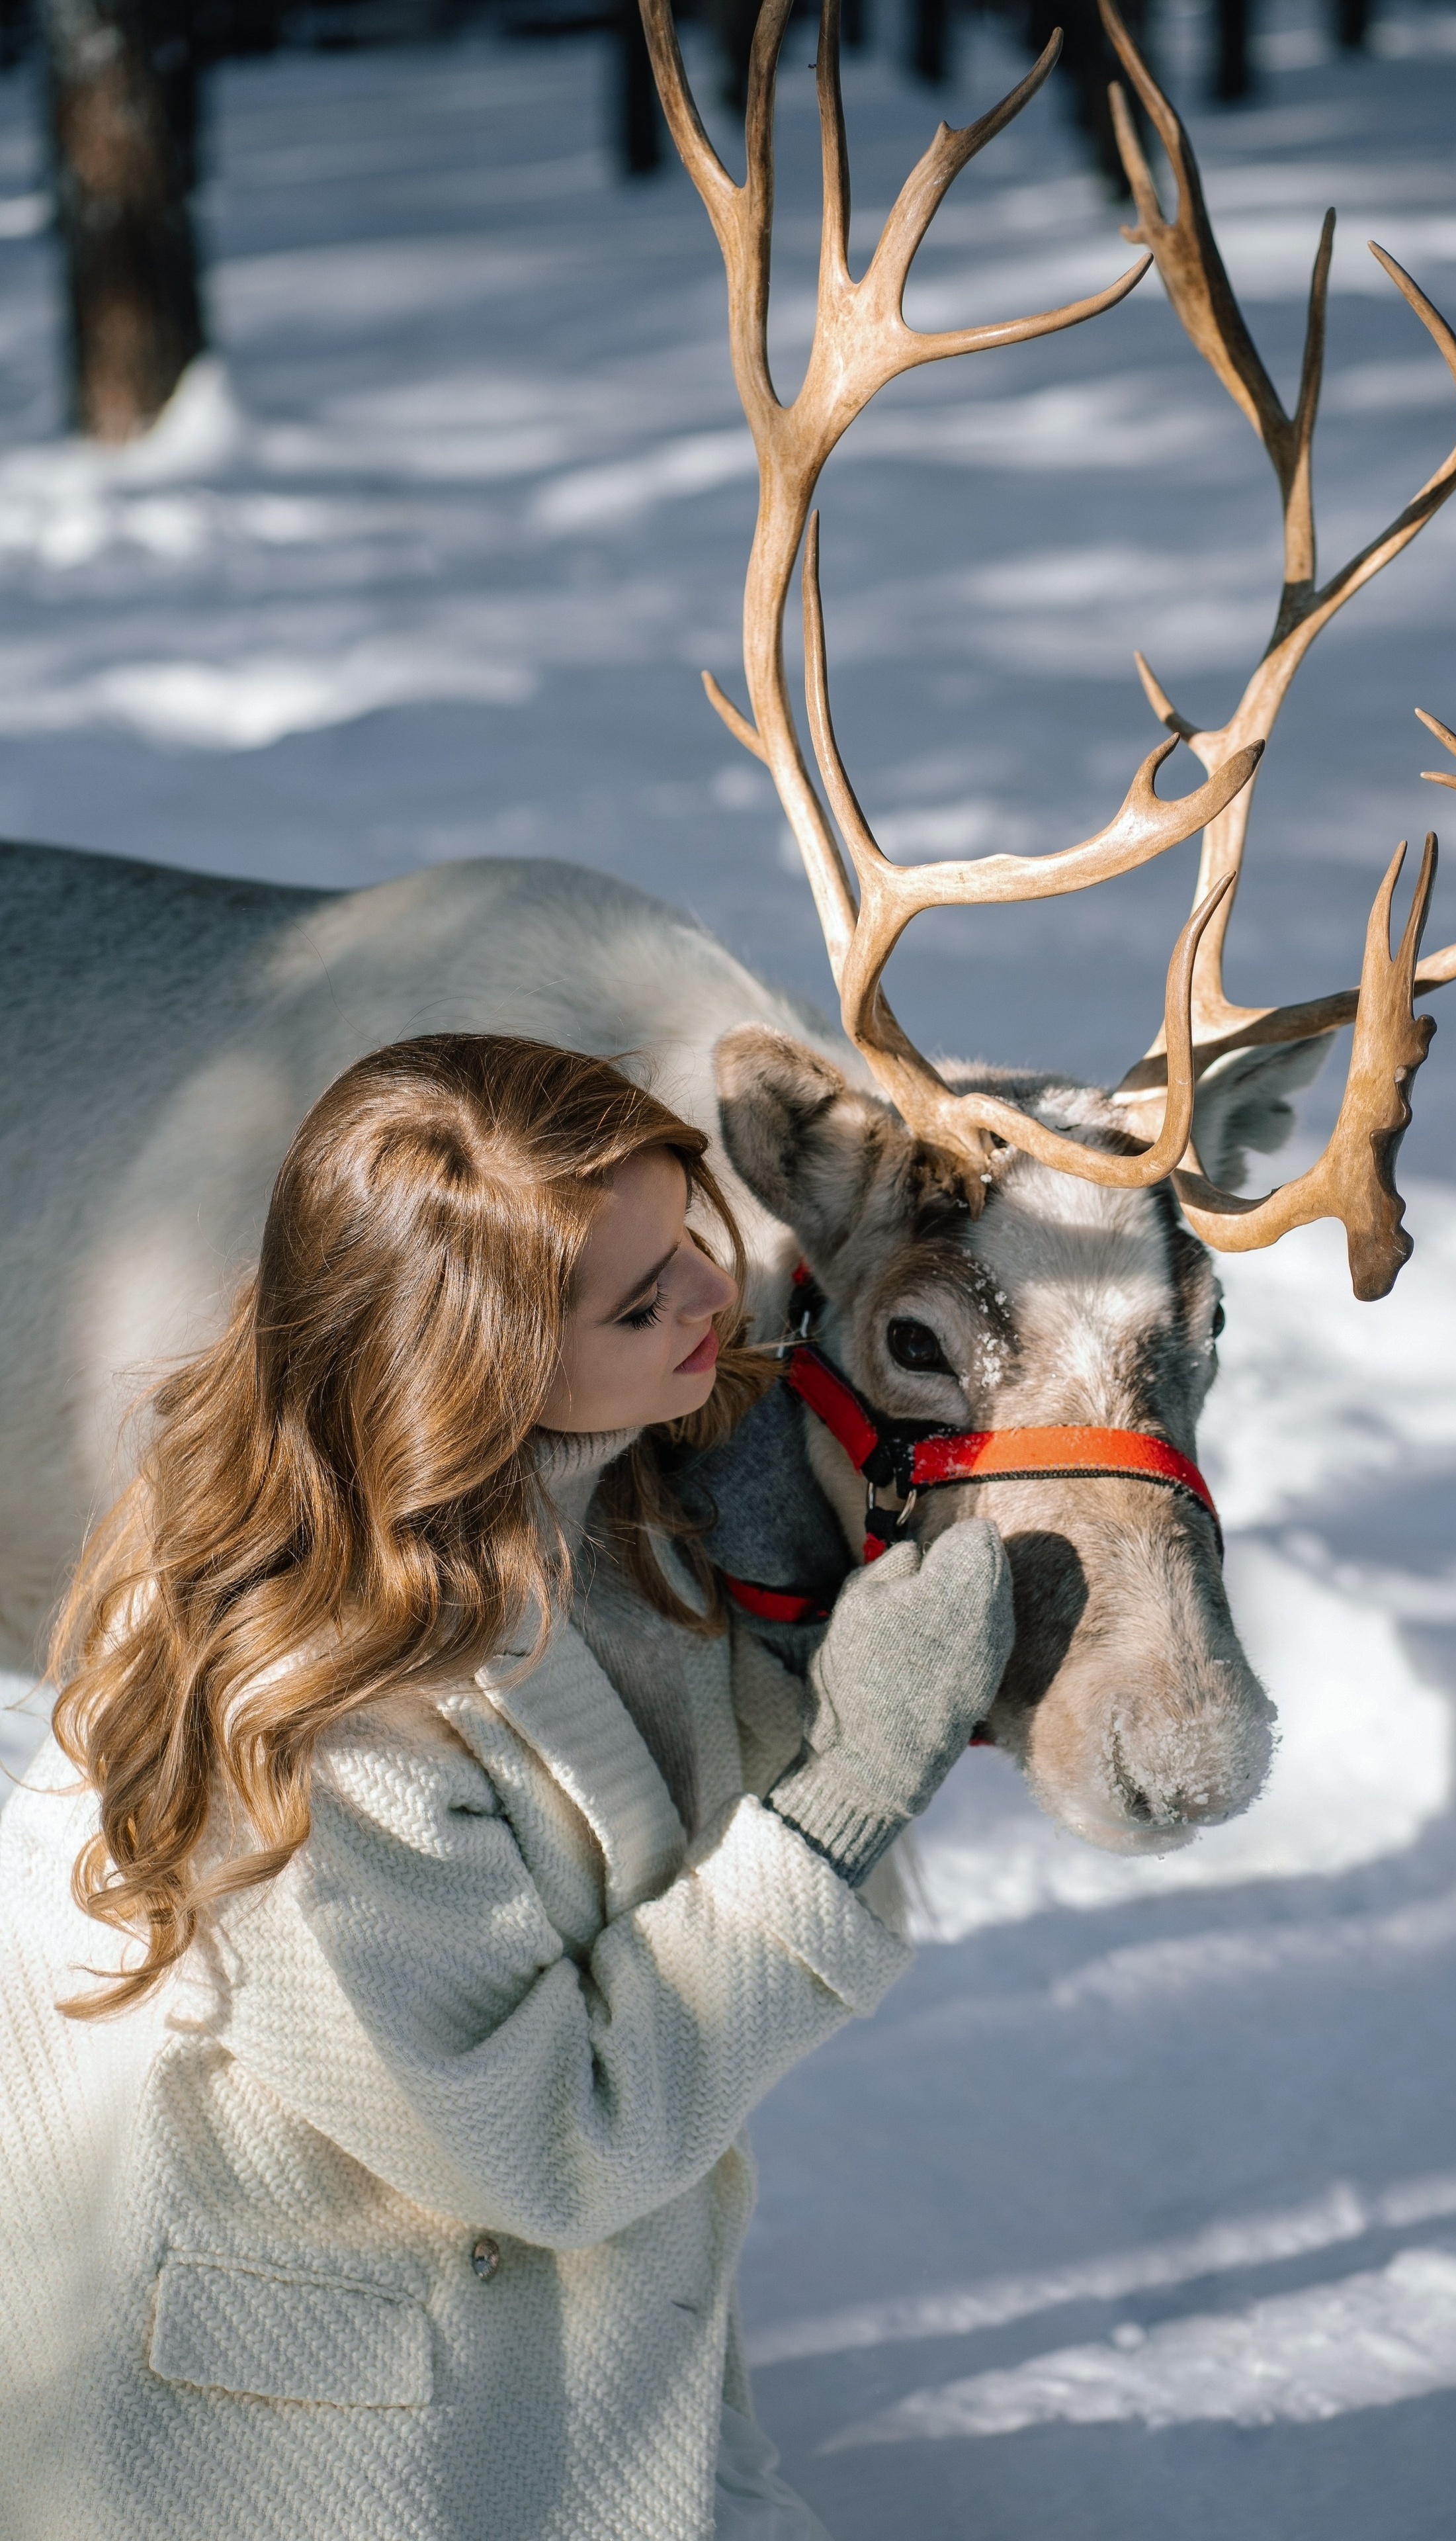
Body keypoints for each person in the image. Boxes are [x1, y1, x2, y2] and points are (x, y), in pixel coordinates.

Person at [0, 1035, 1014, 2541]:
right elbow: (552, 2135)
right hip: (323, 2443)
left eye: (686, 1238)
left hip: (564, 2334)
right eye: (637, 1298)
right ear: (476, 1360)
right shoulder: (315, 1728)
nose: (710, 1299)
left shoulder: (562, 1490)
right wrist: (848, 1786)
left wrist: (764, 1578)